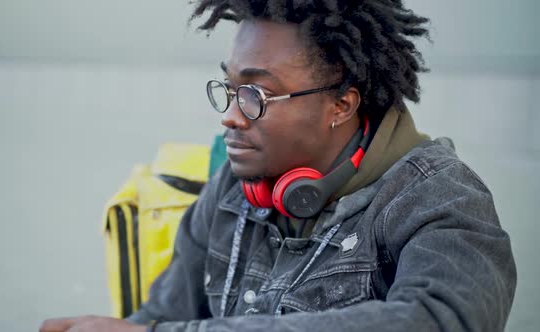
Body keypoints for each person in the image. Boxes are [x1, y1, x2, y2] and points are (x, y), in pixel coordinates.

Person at [40, 1, 517, 331]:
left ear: (341, 105)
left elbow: (444, 320)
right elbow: (161, 315)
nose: (228, 114)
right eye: (228, 88)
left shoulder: (440, 198)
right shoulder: (232, 185)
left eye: (256, 94)